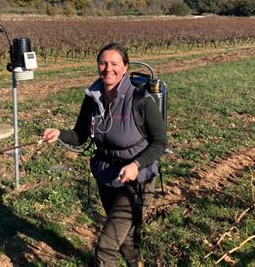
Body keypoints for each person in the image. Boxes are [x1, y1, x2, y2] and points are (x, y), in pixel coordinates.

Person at [42, 42, 167, 267]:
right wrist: (59, 133)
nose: (108, 69)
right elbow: (80, 135)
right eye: (103, 63)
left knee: (106, 249)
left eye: (114, 64)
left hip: (136, 181)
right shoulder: (93, 98)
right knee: (124, 236)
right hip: (107, 177)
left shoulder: (141, 100)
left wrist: (136, 165)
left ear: (126, 67)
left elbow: (160, 143)